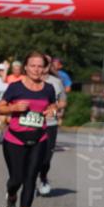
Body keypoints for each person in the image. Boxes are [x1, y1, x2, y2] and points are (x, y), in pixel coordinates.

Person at [0, 52, 57, 207]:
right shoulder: (15, 87)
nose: (36, 69)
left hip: (39, 139)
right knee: (16, 179)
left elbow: (53, 105)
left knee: (31, 177)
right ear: (26, 67)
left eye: (40, 66)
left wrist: (52, 111)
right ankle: (11, 197)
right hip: (14, 139)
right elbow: (0, 108)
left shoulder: (49, 88)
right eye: (33, 66)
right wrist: (15, 107)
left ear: (44, 68)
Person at [38, 53, 66, 194]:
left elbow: (63, 102)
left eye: (46, 63)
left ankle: (43, 177)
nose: (43, 66)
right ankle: (28, 180)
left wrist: (54, 108)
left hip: (50, 123)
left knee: (46, 158)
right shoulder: (27, 81)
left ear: (49, 66)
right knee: (30, 156)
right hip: (30, 123)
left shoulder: (56, 82)